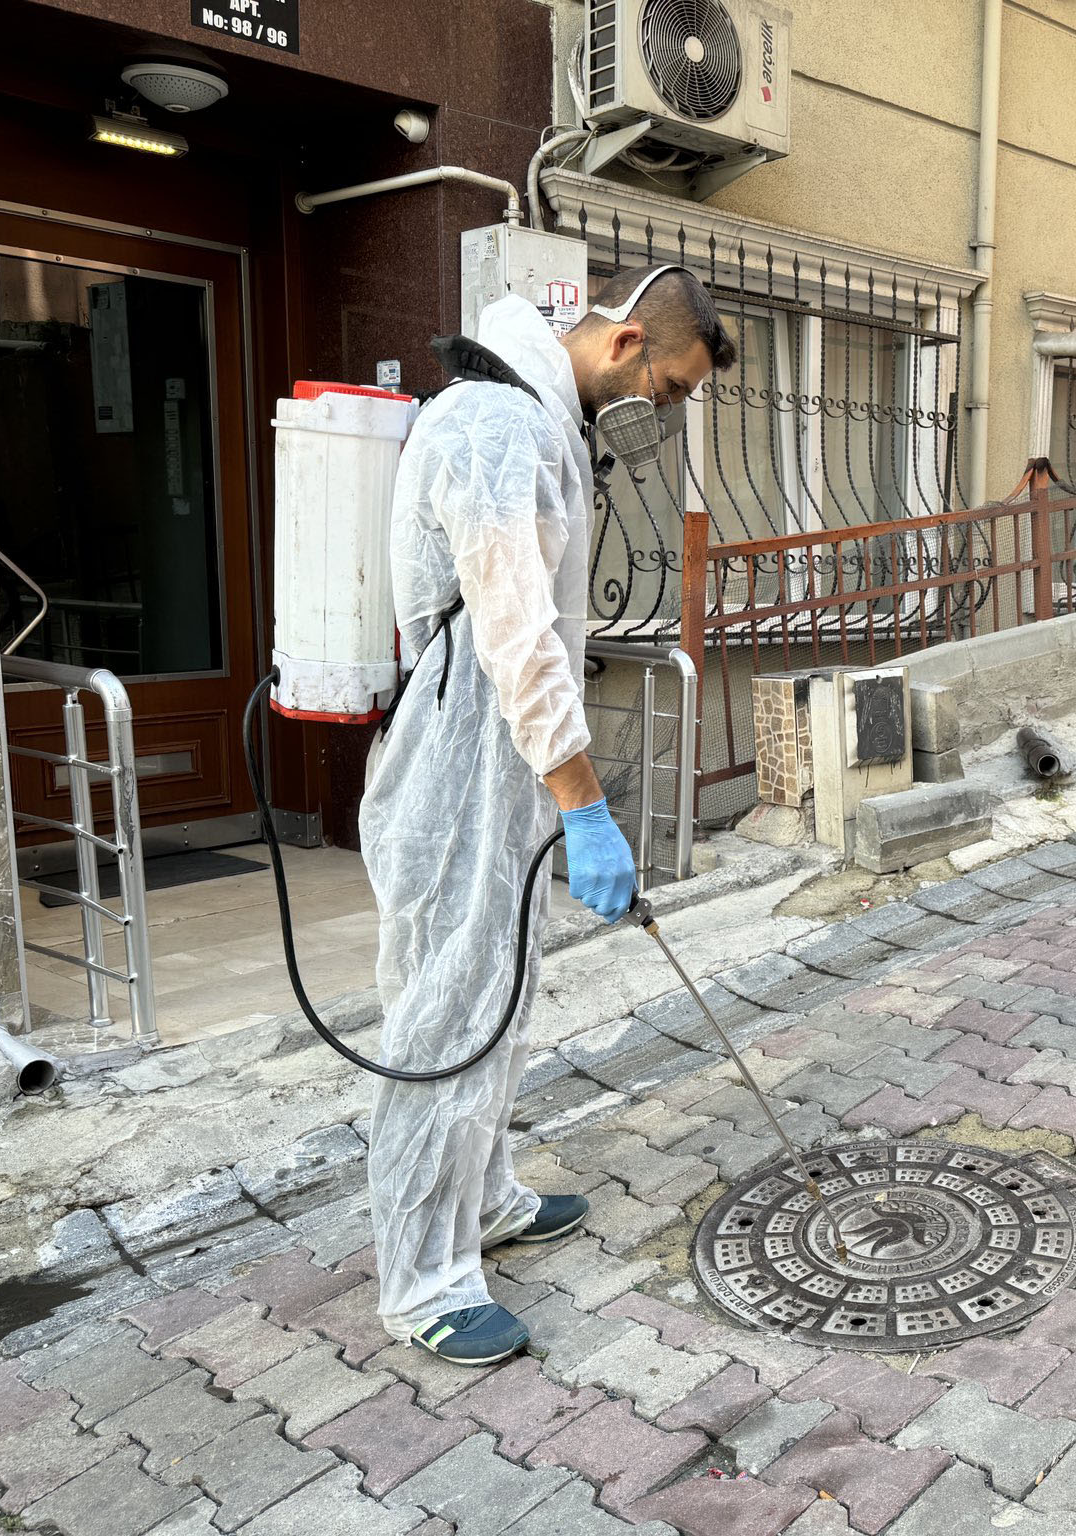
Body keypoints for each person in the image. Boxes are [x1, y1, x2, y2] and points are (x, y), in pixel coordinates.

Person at [359, 265, 736, 1365]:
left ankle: (481, 1204)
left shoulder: (533, 420)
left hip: (501, 757)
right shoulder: (494, 427)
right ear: (623, 345)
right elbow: (514, 635)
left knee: (500, 994)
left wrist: (558, 797)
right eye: (666, 387)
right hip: (464, 754)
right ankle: (423, 1276)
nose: (659, 408)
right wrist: (586, 805)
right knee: (449, 1016)